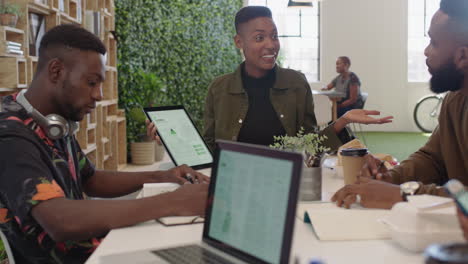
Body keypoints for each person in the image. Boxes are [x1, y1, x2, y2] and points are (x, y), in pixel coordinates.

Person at [0, 24, 209, 264]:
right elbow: (60, 220)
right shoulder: (10, 135)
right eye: (91, 82)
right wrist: (172, 202)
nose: (99, 95)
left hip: (97, 250)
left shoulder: (54, 123)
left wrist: (163, 177)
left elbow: (91, 179)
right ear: (56, 71)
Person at [332, 0, 468, 209]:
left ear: (462, 56)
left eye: (433, 42)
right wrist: (390, 178)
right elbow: (433, 159)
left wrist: (403, 194)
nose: (425, 51)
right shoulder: (456, 99)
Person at [198, 6, 392, 151]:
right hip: (232, 182)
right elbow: (209, 146)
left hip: (286, 182)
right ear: (239, 42)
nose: (271, 45)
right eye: (259, 38)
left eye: (274, 36)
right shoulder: (219, 89)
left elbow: (310, 146)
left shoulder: (296, 83)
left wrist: (342, 121)